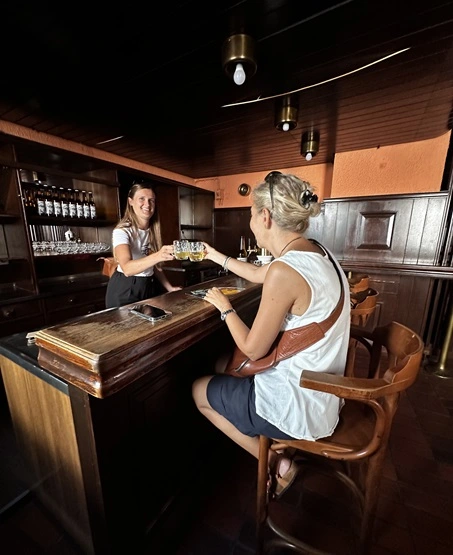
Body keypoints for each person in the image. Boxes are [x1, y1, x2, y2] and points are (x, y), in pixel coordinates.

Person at [192, 171, 350, 498]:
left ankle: (274, 460)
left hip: (297, 407)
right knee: (222, 363)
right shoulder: (319, 253)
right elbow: (257, 273)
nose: (250, 221)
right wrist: (213, 254)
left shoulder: (285, 270)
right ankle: (271, 450)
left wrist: (225, 307)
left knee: (198, 390)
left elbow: (253, 349)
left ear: (265, 217)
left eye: (251, 214)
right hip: (325, 398)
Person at [105, 182, 181, 308]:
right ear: (130, 201)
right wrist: (158, 255)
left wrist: (170, 288)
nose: (147, 204)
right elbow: (127, 269)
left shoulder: (152, 230)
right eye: (142, 199)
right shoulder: (122, 231)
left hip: (147, 286)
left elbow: (154, 265)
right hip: (125, 289)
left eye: (151, 200)